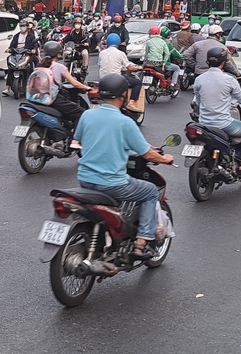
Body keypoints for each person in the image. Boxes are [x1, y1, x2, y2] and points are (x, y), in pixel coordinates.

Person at [72, 74, 174, 258]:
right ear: (122, 95)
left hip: (85, 179)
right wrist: (165, 159)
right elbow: (146, 153)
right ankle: (141, 243)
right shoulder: (125, 122)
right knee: (150, 191)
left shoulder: (87, 115)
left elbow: (77, 141)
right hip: (113, 184)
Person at [193, 46, 241, 173]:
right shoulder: (229, 80)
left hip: (203, 124)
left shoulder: (199, 79)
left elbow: (198, 102)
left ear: (208, 61)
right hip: (223, 124)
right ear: (224, 62)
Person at [98, 33, 144, 102]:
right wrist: (139, 68)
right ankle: (131, 102)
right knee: (137, 83)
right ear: (118, 43)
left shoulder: (102, 53)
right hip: (116, 80)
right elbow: (130, 68)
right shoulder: (120, 53)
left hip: (103, 79)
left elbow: (100, 65)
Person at [3, 20, 39, 97]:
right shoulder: (16, 36)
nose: (22, 28)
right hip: (16, 54)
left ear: (27, 27)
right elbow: (12, 45)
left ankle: (33, 86)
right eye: (21, 26)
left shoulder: (31, 36)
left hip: (27, 54)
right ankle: (7, 88)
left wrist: (34, 50)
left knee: (33, 66)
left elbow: (35, 45)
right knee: (10, 68)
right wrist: (9, 49)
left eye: (24, 26)